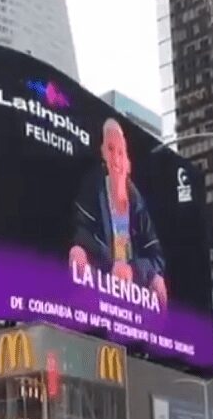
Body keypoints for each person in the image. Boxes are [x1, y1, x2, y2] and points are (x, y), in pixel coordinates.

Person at [69, 118, 168, 307]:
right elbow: (81, 234)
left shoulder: (137, 204)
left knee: (159, 283)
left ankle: (150, 334)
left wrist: (133, 270)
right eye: (111, 150)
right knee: (77, 254)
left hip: (133, 286)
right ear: (103, 154)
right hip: (102, 274)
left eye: (121, 152)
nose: (116, 159)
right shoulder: (94, 188)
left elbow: (157, 257)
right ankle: (85, 316)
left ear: (128, 162)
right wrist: (111, 263)